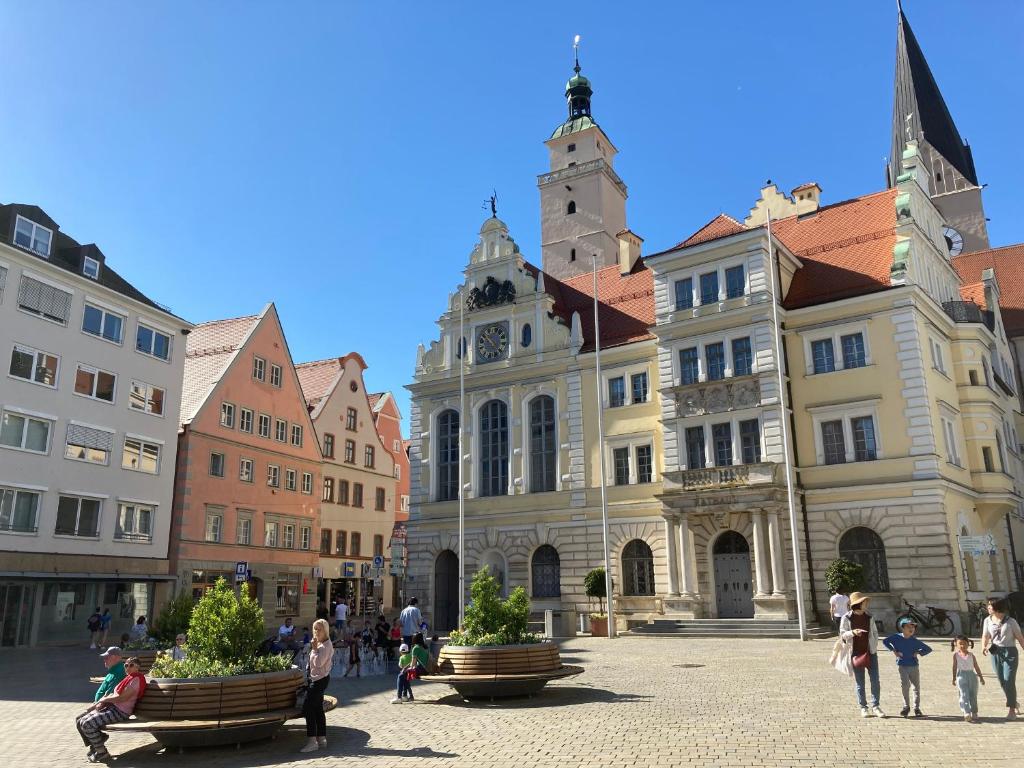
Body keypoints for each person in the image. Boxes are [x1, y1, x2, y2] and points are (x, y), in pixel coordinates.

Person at [76, 656, 147, 763]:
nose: (128, 667)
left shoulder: (136, 679)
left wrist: (103, 700)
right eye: (126, 665)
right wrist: (102, 702)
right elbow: (114, 694)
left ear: (138, 667)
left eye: (131, 665)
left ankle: (101, 752)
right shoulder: (128, 678)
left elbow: (122, 697)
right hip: (113, 707)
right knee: (81, 720)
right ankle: (99, 742)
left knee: (87, 724)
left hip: (121, 711)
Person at [839, 591, 884, 718]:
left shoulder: (869, 616)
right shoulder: (847, 618)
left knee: (875, 680)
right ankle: (863, 707)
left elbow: (875, 632)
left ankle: (876, 706)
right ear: (858, 604)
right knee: (860, 682)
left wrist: (874, 645)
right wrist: (853, 632)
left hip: (871, 653)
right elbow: (842, 634)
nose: (867, 603)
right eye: (864, 602)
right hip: (856, 653)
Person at [981, 597, 1024, 720]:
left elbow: (1020, 638)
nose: (988, 607)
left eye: (990, 605)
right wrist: (983, 646)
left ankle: (1011, 710)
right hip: (995, 652)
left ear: (997, 607)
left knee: (1009, 679)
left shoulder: (1011, 622)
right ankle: (1013, 702)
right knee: (1002, 680)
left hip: (1009, 652)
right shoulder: (987, 620)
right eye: (988, 605)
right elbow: (985, 635)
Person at [882, 617, 932, 717]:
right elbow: (885, 641)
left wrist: (918, 652)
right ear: (903, 628)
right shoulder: (896, 637)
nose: (912, 628)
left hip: (914, 666)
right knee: (905, 686)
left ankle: (917, 708)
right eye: (909, 626)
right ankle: (906, 707)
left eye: (913, 627)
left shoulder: (915, 641)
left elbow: (928, 649)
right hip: (902, 666)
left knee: (916, 687)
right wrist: (894, 651)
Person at [300, 619, 334, 753]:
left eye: (319, 629)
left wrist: (314, 649)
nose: (316, 631)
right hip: (316, 679)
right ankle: (321, 738)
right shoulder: (320, 644)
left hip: (320, 680)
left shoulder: (326, 645)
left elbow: (319, 663)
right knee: (318, 708)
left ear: (325, 630)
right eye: (314, 628)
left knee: (307, 708)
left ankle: (312, 741)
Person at [951, 635, 985, 722]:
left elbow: (976, 667)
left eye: (965, 644)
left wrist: (981, 677)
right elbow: (954, 667)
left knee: (973, 695)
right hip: (961, 676)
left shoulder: (971, 655)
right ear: (956, 645)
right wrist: (954, 678)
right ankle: (966, 712)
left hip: (972, 676)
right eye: (960, 644)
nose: (963, 646)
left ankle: (974, 712)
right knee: (964, 694)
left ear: (968, 644)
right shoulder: (956, 655)